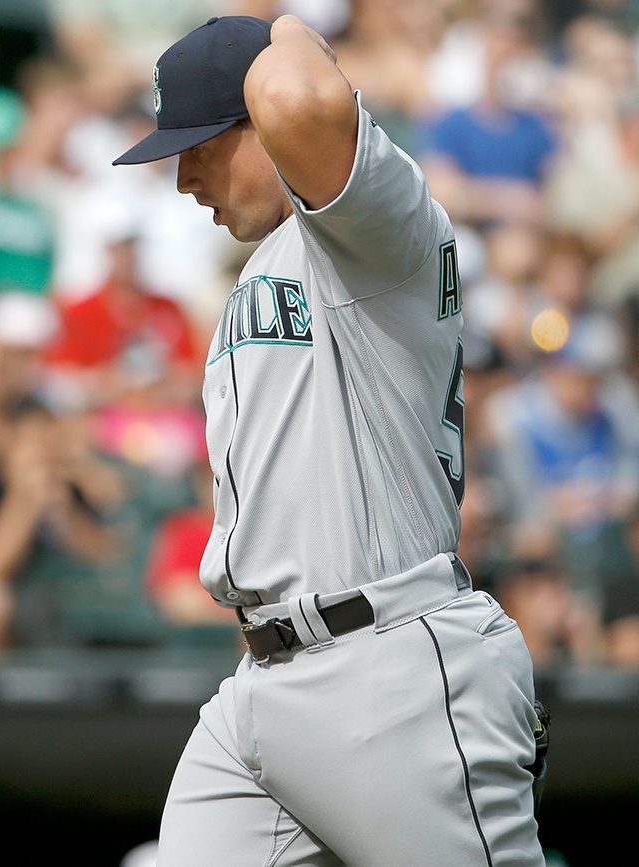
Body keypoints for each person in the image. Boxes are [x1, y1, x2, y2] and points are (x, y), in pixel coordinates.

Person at [114, 14, 546, 866]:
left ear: (260, 128)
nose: (183, 177)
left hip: (390, 665)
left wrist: (283, 26)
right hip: (261, 683)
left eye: (201, 143)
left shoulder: (376, 229)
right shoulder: (276, 261)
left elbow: (295, 90)